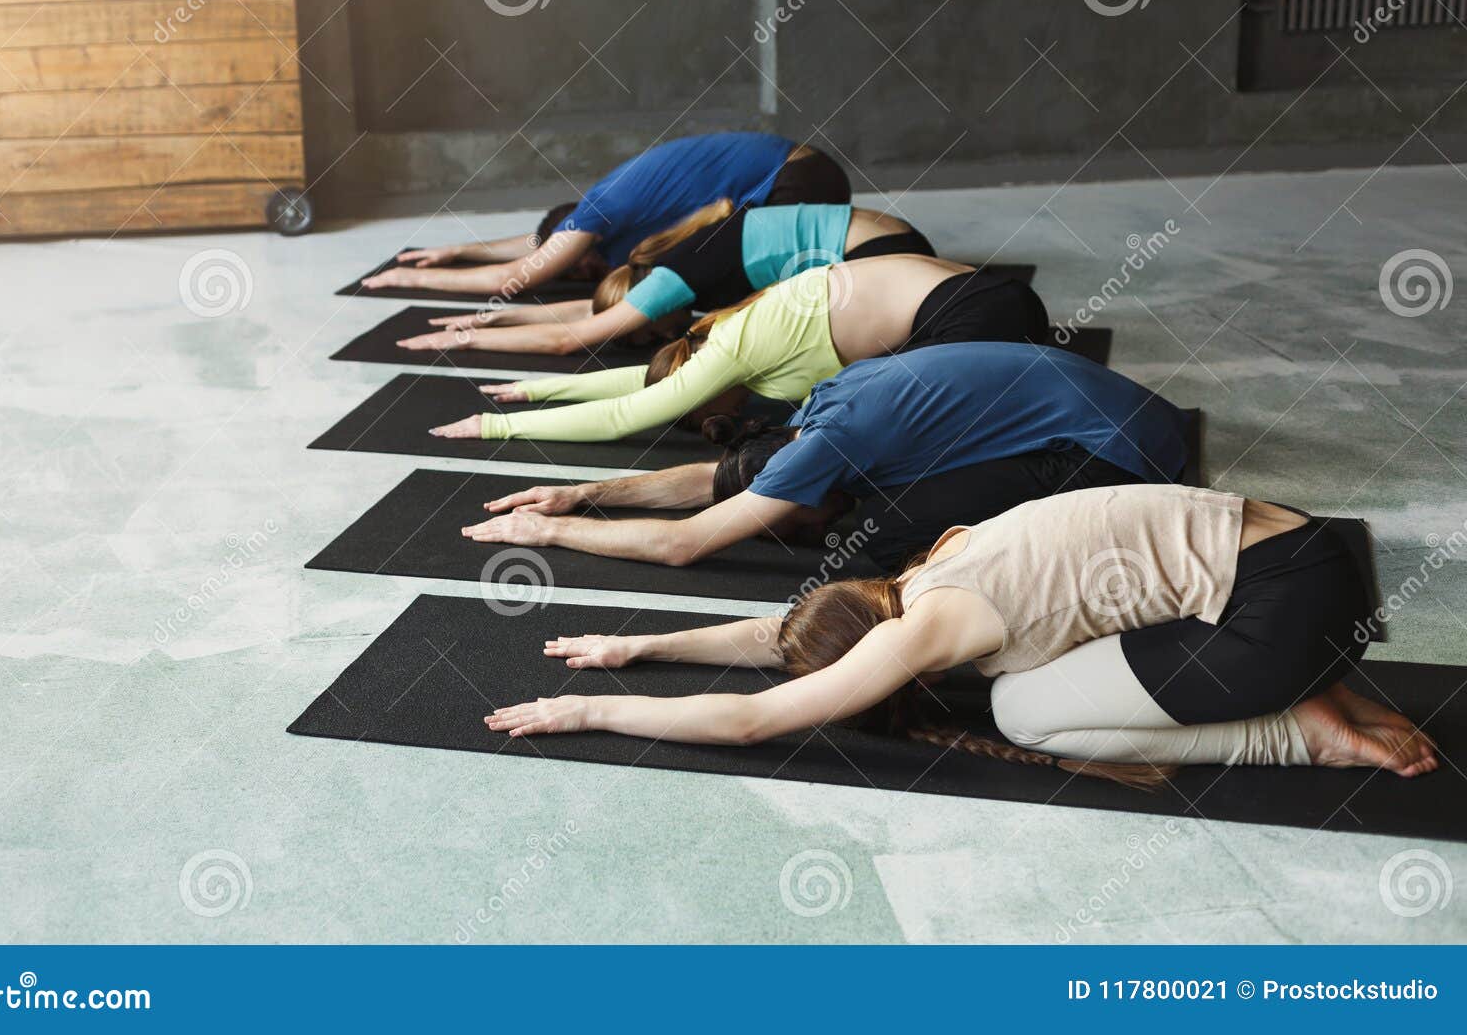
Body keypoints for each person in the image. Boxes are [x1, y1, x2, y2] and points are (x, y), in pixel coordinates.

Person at [484, 484, 1439, 786]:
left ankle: (1306, 730)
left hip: (1273, 620)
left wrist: (594, 708)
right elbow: (784, 638)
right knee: (1054, 664)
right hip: (1311, 558)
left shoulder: (934, 628)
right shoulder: (940, 561)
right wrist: (640, 647)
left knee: (1025, 707)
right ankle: (1326, 680)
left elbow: (754, 719)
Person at [458, 342, 1188, 572]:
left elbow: (685, 544)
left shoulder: (833, 444)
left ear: (806, 478)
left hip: (1127, 457)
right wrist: (586, 494)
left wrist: (548, 532)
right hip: (1123, 413)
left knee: (881, 536)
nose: (789, 524)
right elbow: (721, 483)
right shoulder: (823, 404)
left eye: (788, 518)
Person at [428, 255, 1049, 443]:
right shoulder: (726, 336)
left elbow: (633, 412)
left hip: (973, 313)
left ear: (699, 373)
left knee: (923, 442)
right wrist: (537, 388)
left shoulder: (735, 347)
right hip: (988, 300)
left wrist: (494, 425)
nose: (706, 412)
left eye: (697, 406)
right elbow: (645, 386)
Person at [396, 201, 942, 356]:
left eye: (647, 330)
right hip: (888, 247)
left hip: (884, 254)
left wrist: (466, 339)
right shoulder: (670, 272)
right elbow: (587, 316)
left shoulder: (675, 278)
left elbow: (570, 339)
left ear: (648, 303)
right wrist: (496, 315)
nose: (661, 336)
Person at [360, 133, 849, 298]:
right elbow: (533, 244)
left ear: (577, 236)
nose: (583, 272)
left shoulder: (598, 208)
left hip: (798, 180)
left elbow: (517, 276)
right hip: (805, 177)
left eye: (573, 263)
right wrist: (459, 250)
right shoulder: (602, 224)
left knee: (702, 281)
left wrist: (410, 277)